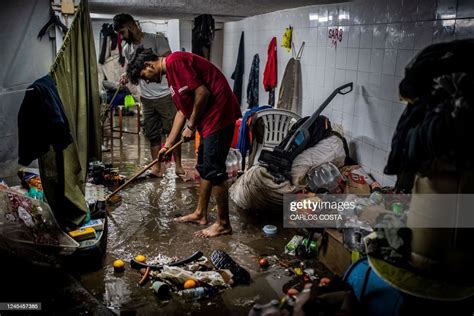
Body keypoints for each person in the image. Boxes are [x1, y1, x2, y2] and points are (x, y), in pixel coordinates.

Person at [126, 47, 242, 238]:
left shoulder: (176, 62)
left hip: (219, 116)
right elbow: (181, 111)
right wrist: (167, 146)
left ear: (148, 64)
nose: (146, 80)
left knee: (215, 170)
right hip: (209, 120)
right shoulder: (171, 75)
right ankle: (200, 214)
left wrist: (191, 125)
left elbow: (202, 93)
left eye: (143, 75)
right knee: (204, 166)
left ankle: (223, 224)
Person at [113, 13, 184, 177]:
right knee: (152, 134)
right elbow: (133, 70)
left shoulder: (156, 40)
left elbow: (168, 62)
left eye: (123, 32)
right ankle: (157, 168)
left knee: (173, 131)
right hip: (146, 98)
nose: (122, 37)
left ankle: (178, 167)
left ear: (131, 26)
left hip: (165, 95)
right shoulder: (127, 49)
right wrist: (128, 75)